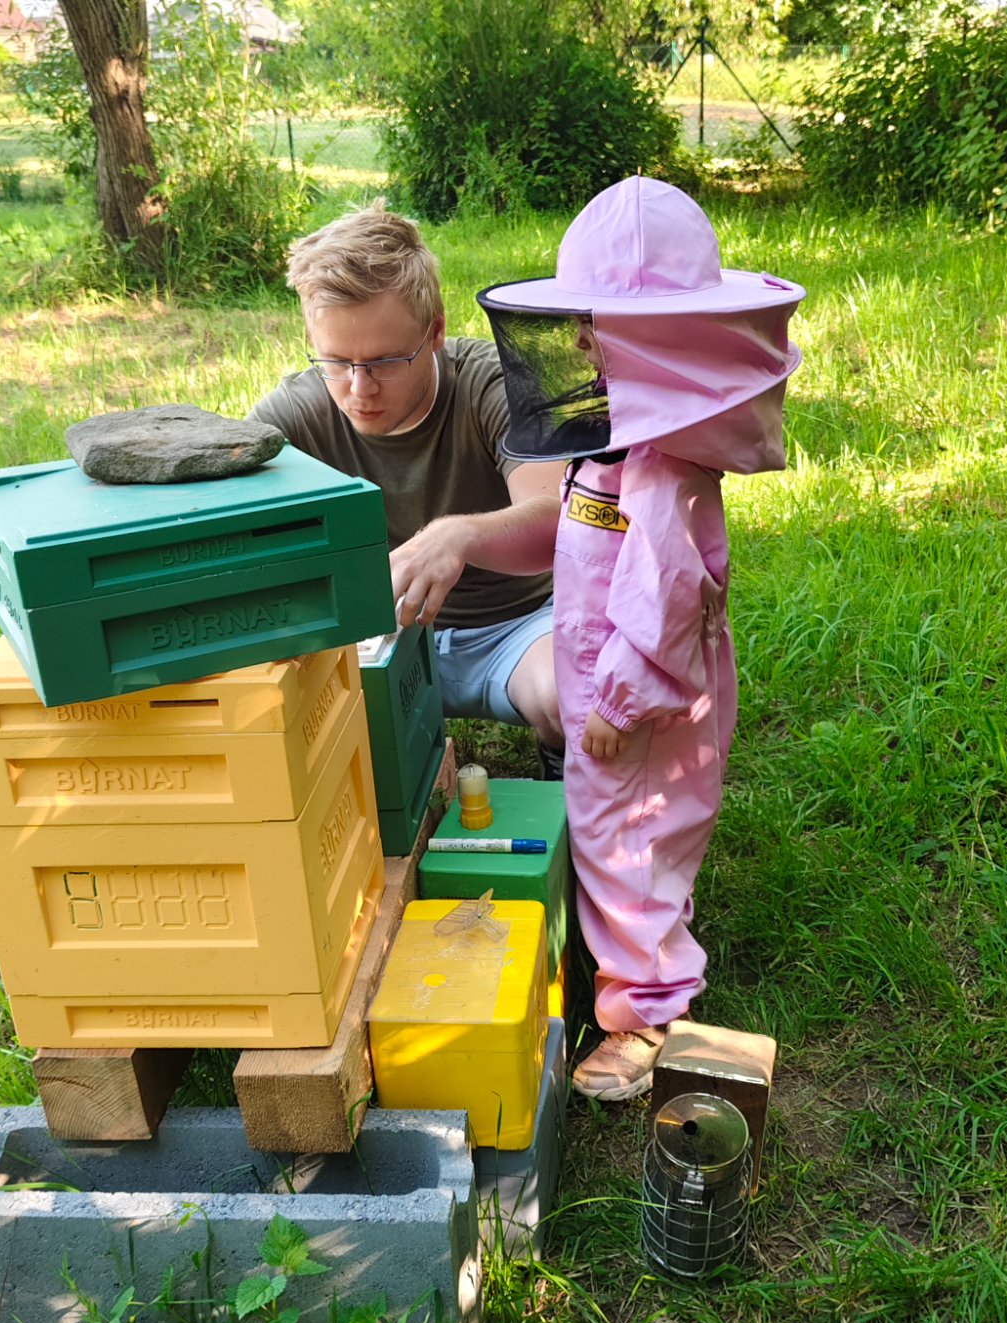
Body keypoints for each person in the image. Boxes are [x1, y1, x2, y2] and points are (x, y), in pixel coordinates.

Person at [477, 177, 804, 1100]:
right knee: (633, 836)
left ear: (660, 340)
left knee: (628, 839)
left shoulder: (667, 466)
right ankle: (641, 950)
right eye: (579, 324)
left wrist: (617, 704)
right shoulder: (621, 442)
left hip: (640, 700)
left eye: (598, 326)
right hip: (613, 690)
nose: (579, 344)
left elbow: (663, 594)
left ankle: (646, 1014)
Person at [250, 203, 566, 756]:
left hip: (517, 629)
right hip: (367, 642)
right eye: (336, 361)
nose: (359, 388)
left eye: (386, 361)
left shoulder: (495, 386)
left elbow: (556, 520)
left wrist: (456, 537)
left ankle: (566, 793)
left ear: (436, 329)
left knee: (573, 694)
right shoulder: (294, 414)